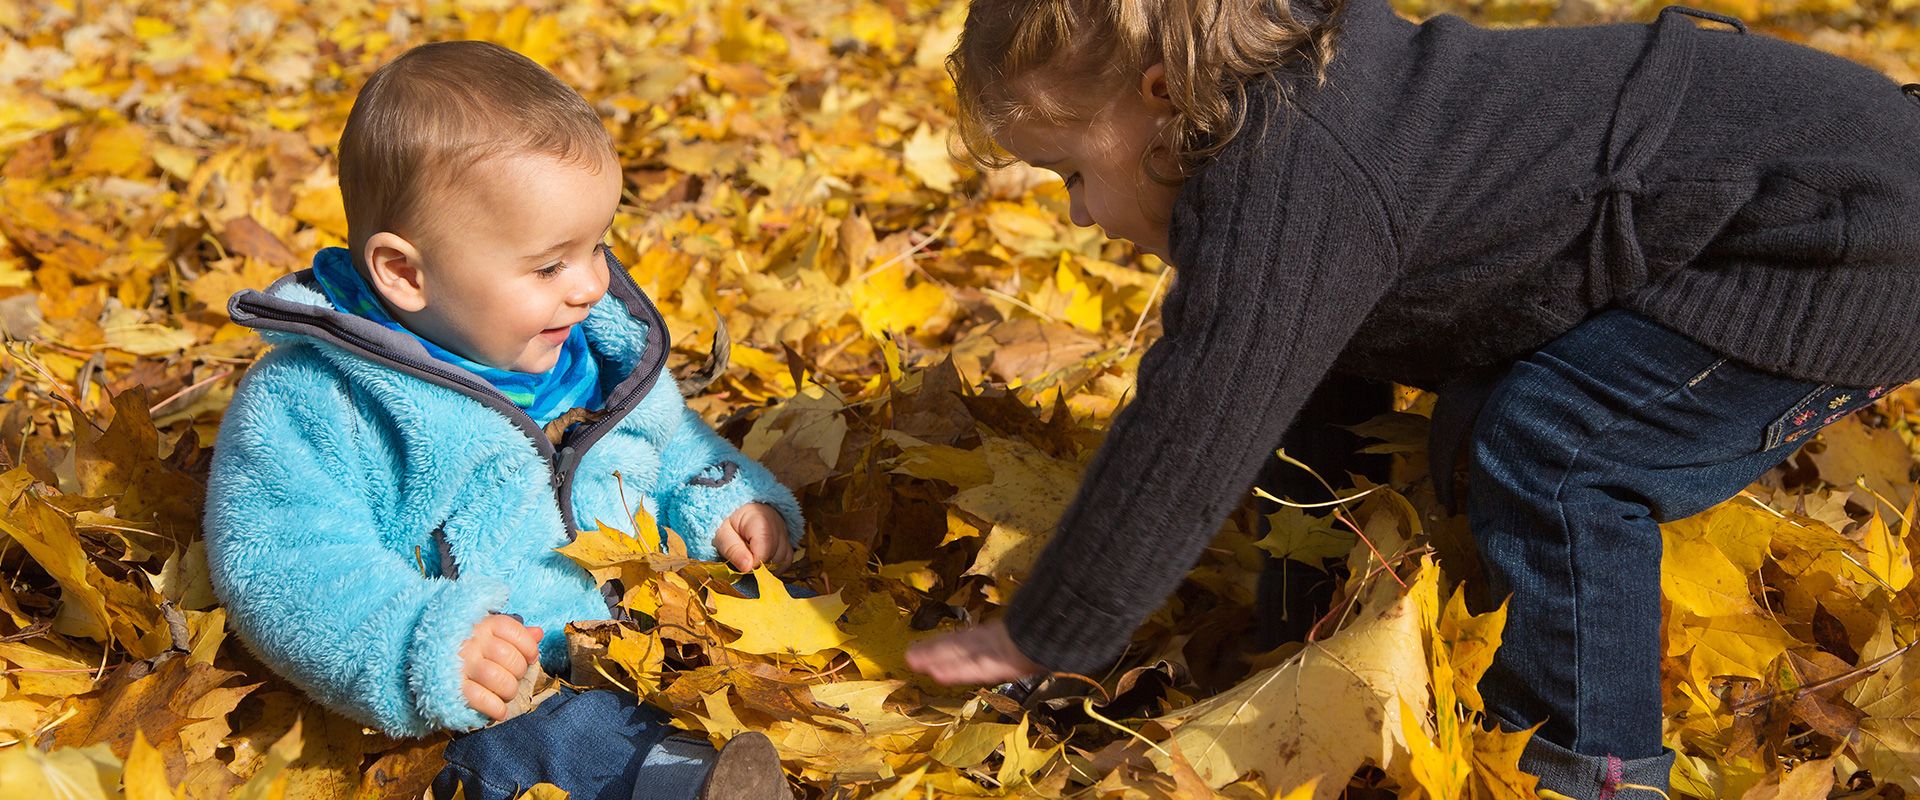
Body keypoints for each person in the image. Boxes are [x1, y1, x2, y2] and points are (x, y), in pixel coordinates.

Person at [903, 1, 1920, 797]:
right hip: (1800, 200)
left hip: (1840, 240)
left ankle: (1588, 770)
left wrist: (1050, 630)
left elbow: (1194, 423)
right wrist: (1289, 647)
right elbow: (1306, 415)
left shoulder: (1293, 170)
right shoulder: (1304, 122)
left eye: (1071, 173)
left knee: (1559, 446)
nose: (1078, 214)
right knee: (1485, 423)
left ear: (1162, 96)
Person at [203, 40, 802, 800]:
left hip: (652, 620)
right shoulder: (321, 402)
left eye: (599, 248)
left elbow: (670, 441)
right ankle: (683, 785)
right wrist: (422, 643)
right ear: (405, 274)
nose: (590, 284)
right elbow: (285, 565)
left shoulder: (590, 353)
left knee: (777, 629)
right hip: (507, 679)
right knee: (551, 744)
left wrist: (721, 500)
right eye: (550, 265)